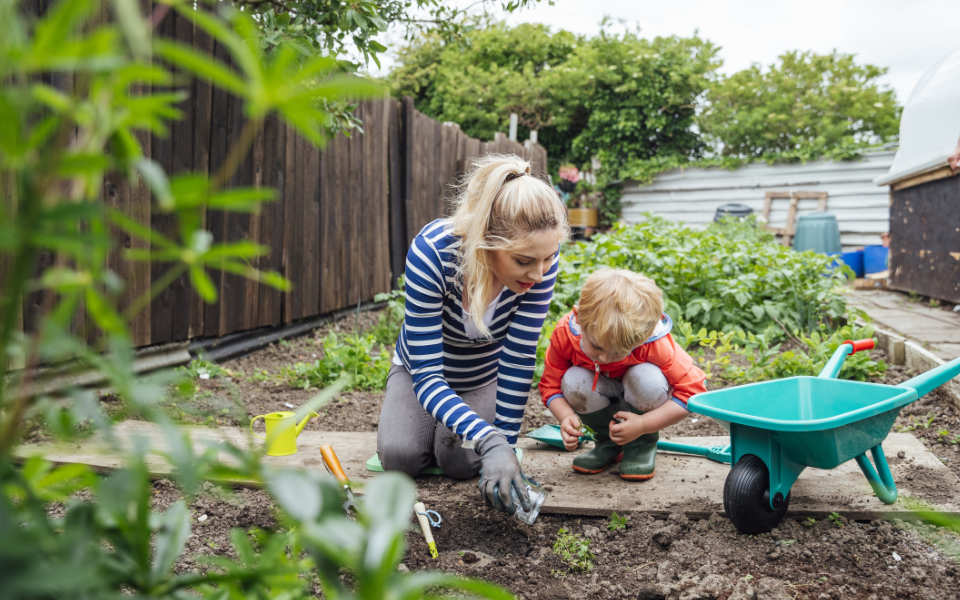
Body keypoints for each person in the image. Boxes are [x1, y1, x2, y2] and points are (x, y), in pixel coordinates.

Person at [377, 154, 569, 515]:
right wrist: (489, 437)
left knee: (461, 461)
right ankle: (428, 423)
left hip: (482, 376)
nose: (539, 274)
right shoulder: (432, 253)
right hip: (423, 372)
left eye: (548, 258)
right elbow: (429, 378)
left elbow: (516, 361)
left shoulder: (540, 263)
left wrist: (506, 450)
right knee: (399, 457)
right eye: (524, 261)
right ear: (485, 243)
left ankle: (450, 432)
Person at [538, 268, 707, 480]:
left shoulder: (654, 343)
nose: (606, 359)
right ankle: (607, 442)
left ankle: (640, 445)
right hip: (600, 393)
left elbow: (692, 392)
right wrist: (566, 417)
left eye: (620, 352)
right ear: (580, 319)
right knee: (573, 380)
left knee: (646, 379)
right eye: (598, 347)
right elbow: (550, 385)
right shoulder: (566, 333)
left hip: (639, 398)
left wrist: (643, 425)